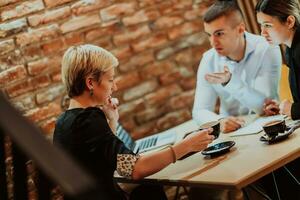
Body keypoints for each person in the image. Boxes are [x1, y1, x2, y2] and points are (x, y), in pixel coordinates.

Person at [53, 44, 215, 200]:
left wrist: (112, 120)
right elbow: (134, 169)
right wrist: (185, 146)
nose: (114, 86)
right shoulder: (89, 119)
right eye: (110, 80)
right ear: (90, 83)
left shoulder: (63, 122)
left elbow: (104, 158)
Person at [192, 0, 282, 133]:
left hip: (268, 127)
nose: (212, 42)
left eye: (219, 34)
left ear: (240, 29)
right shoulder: (208, 60)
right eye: (209, 35)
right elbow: (199, 110)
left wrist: (230, 82)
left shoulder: (267, 49)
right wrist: (219, 121)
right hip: (231, 133)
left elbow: (264, 106)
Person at [255, 0, 300, 199]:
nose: (262, 33)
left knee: (274, 171)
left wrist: (294, 110)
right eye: (260, 26)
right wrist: (285, 107)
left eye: (268, 25)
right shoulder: (291, 49)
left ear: (289, 21)